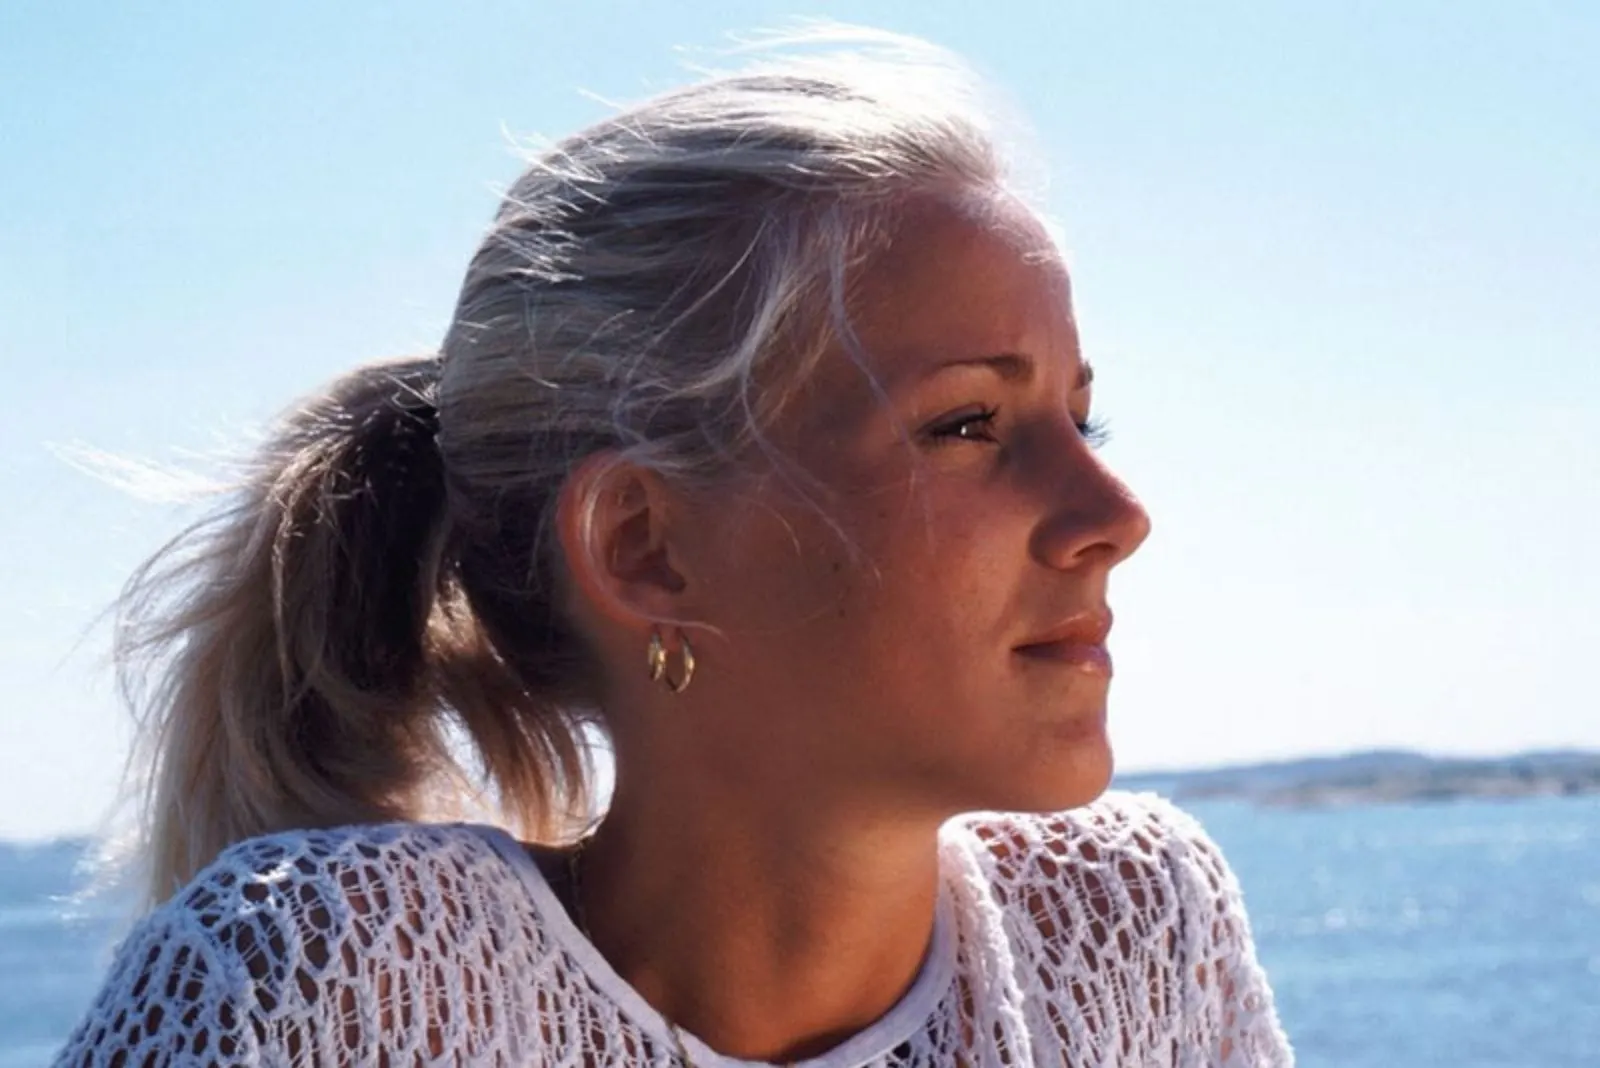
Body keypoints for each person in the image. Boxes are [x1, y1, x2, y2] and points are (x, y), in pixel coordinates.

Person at [55, 29, 1292, 1068]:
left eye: (1081, 418)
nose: (1114, 514)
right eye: (967, 423)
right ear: (648, 548)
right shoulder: (347, 989)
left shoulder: (1125, 929)